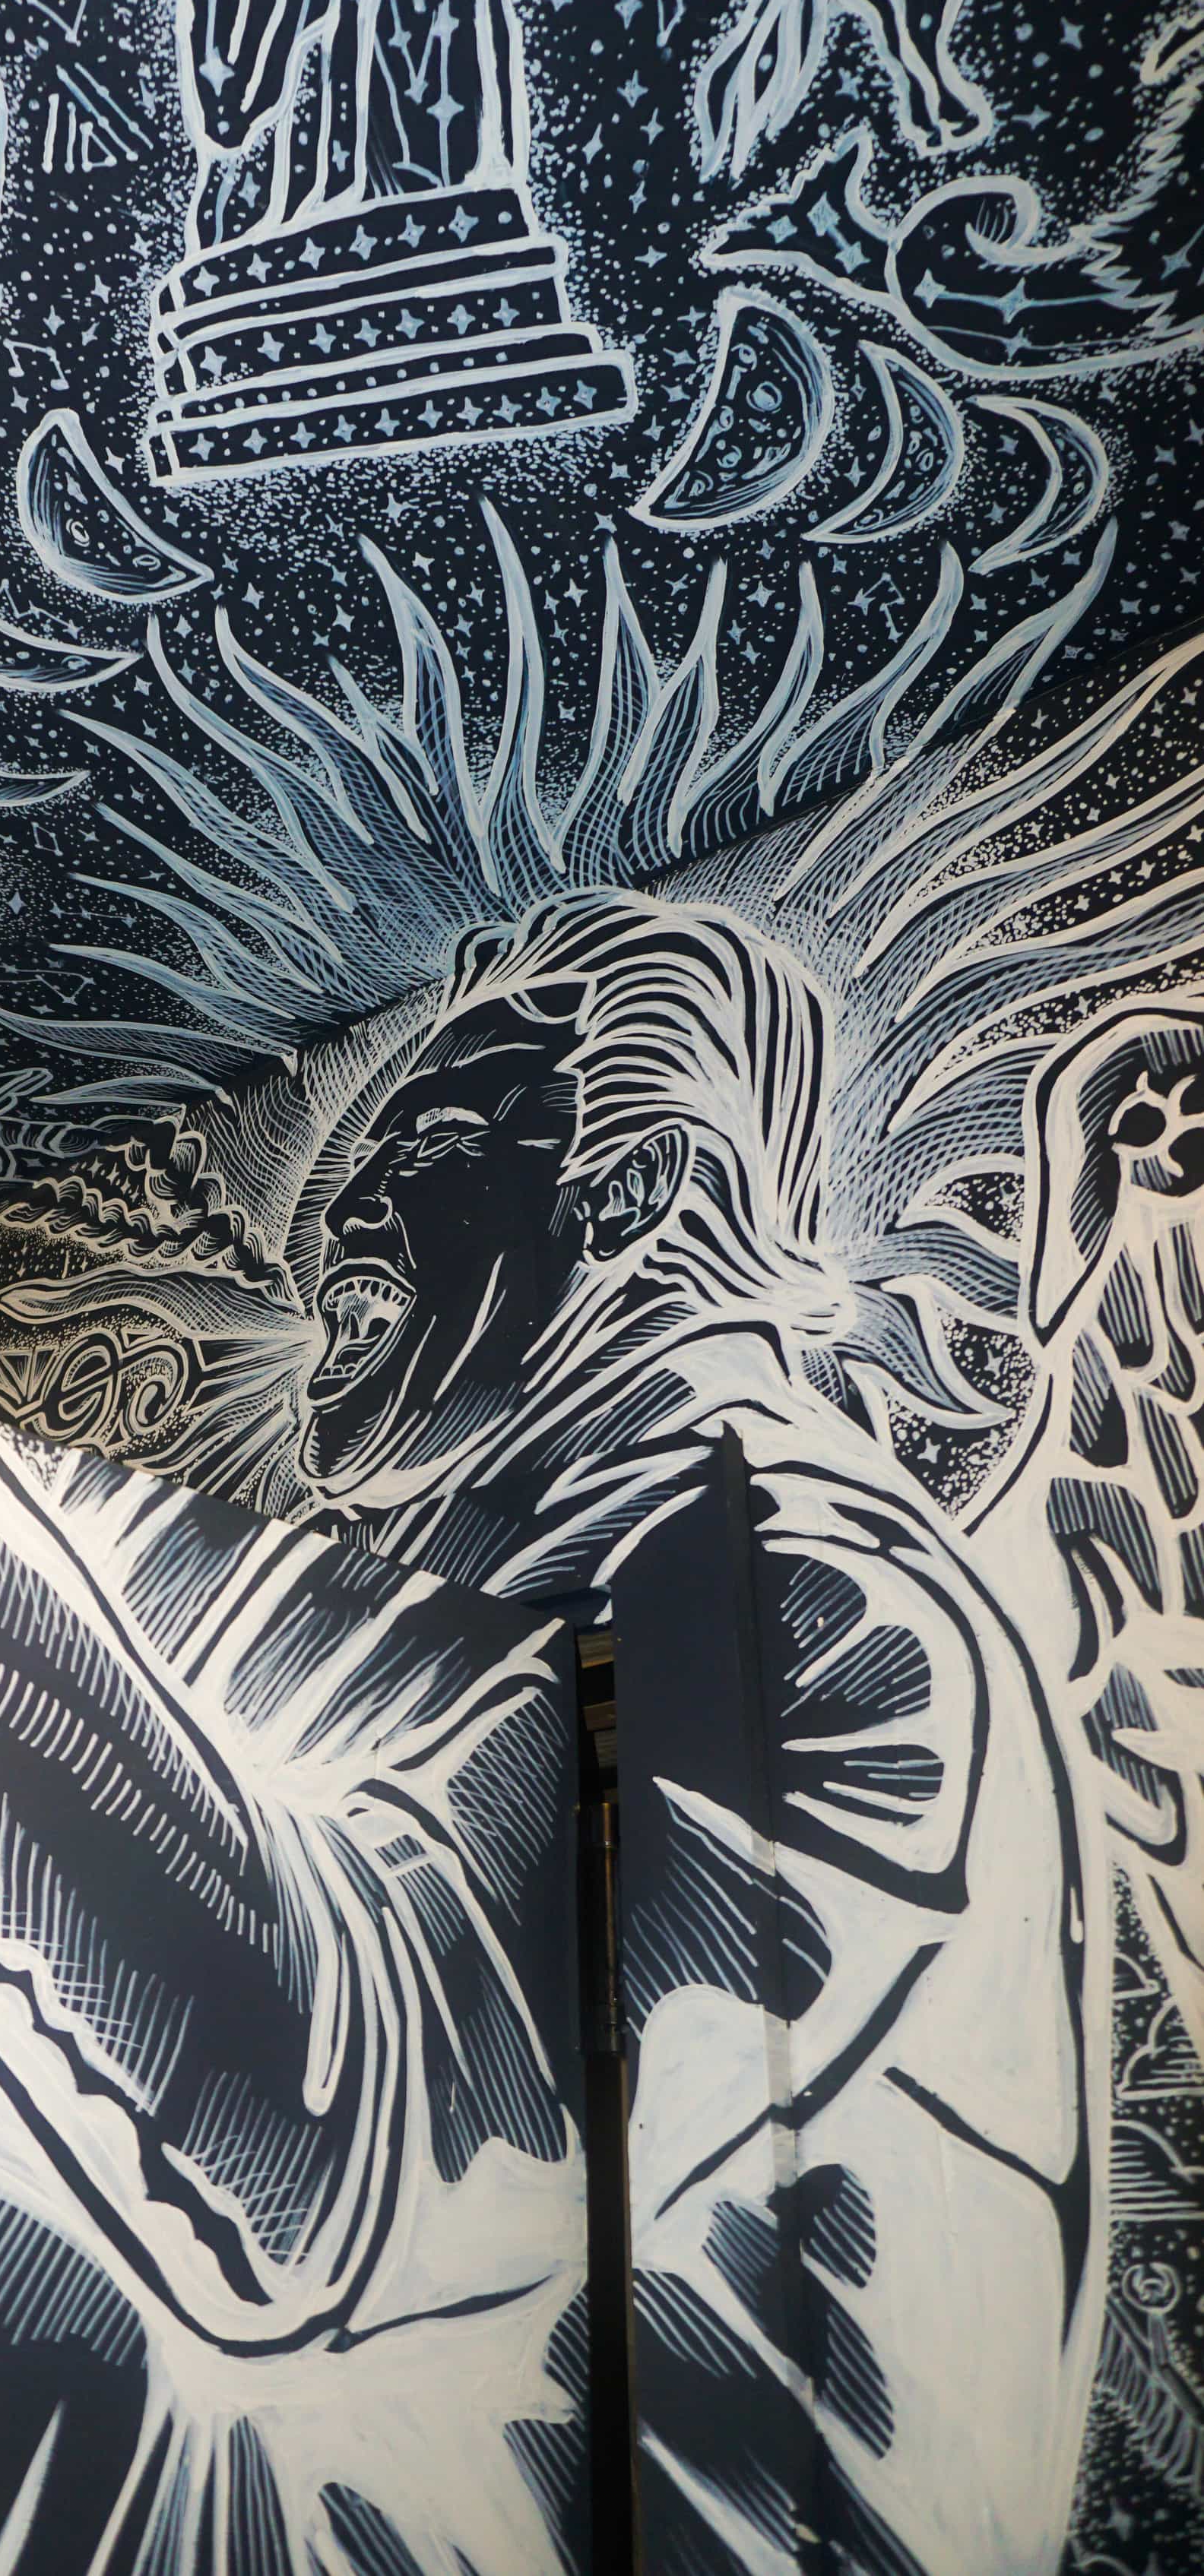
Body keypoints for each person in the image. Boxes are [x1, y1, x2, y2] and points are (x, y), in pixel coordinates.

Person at [297, 888, 1104, 2574]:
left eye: (422, 1146)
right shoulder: (587, 1590)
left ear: (629, 1187)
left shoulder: (804, 1585)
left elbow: (405, 2130)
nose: (339, 1209)